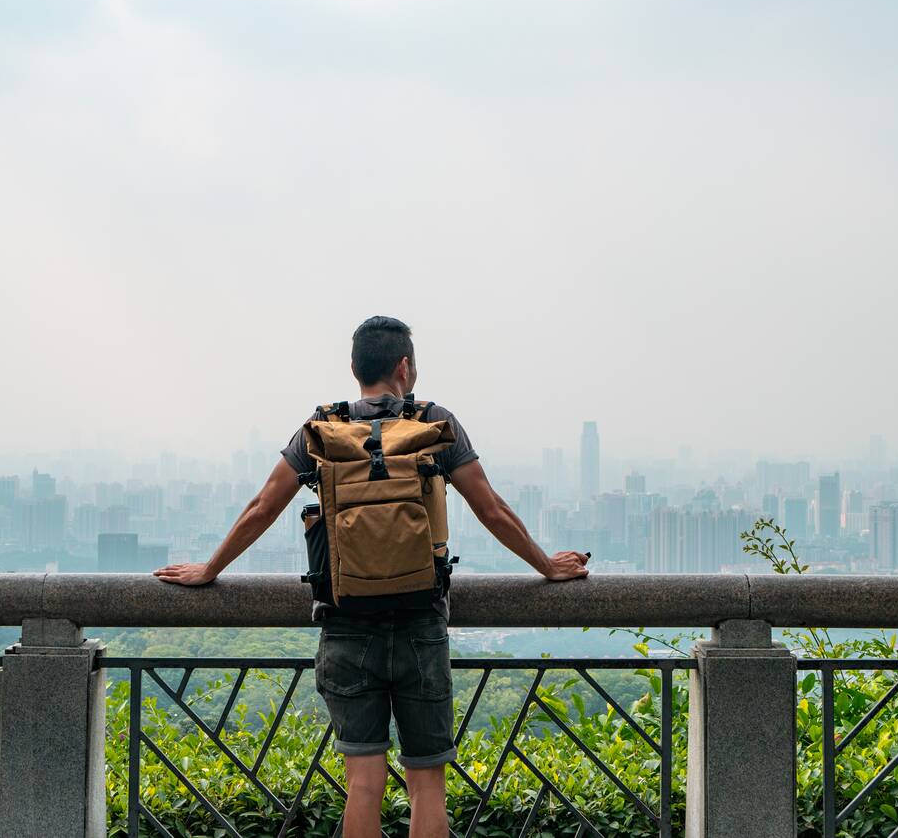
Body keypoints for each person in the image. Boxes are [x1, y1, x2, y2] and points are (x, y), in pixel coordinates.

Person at [154, 316, 590, 838]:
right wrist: (547, 565)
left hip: (347, 625)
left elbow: (262, 507)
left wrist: (209, 570)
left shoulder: (323, 428)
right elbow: (491, 509)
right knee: (427, 784)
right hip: (420, 624)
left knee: (363, 782)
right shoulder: (434, 422)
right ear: (404, 366)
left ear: (355, 368)